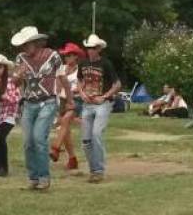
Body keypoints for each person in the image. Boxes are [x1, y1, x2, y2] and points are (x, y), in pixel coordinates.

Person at [12, 26, 73, 191]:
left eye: (27, 44)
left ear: (36, 43)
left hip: (48, 101)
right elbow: (14, 82)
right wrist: (19, 75)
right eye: (23, 45)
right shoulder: (21, 58)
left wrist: (69, 99)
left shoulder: (52, 56)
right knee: (28, 142)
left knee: (39, 138)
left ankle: (44, 177)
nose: (25, 48)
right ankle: (33, 177)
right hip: (29, 103)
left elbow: (62, 77)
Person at [78, 34, 121, 184]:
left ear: (99, 49)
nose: (90, 50)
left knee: (96, 134)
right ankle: (93, 169)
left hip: (102, 103)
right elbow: (79, 79)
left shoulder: (106, 64)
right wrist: (81, 92)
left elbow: (117, 84)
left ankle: (99, 170)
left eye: (93, 48)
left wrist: (105, 96)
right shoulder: (82, 64)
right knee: (85, 140)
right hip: (87, 104)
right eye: (88, 48)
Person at [50, 42, 86, 170]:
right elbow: (57, 84)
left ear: (76, 56)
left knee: (65, 122)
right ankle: (72, 159)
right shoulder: (62, 68)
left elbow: (83, 86)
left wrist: (73, 90)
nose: (67, 57)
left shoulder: (81, 70)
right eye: (65, 55)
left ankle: (55, 148)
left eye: (70, 55)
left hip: (76, 100)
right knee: (64, 129)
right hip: (62, 100)